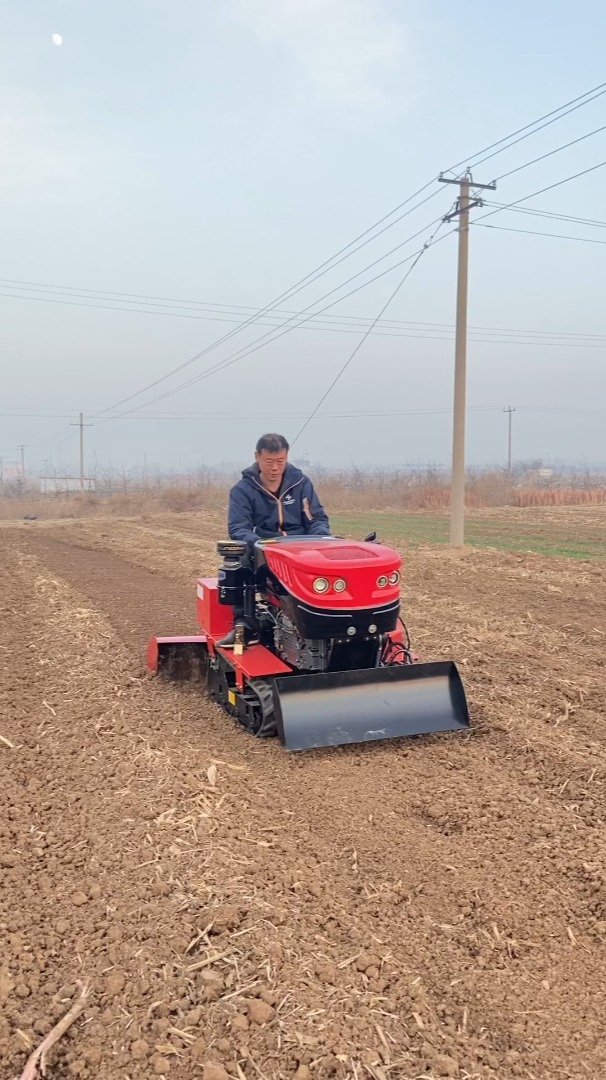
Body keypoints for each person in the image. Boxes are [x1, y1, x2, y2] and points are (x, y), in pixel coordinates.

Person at [217, 433, 330, 647]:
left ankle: (324, 623)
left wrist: (321, 538)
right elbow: (238, 528)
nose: (275, 468)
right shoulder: (242, 490)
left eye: (280, 461)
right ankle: (244, 627)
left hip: (301, 548)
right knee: (239, 562)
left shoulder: (301, 484)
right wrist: (262, 545)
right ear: (257, 457)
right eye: (269, 462)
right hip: (265, 549)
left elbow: (316, 518)